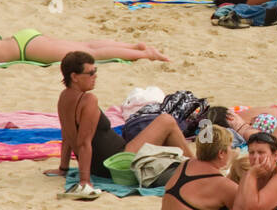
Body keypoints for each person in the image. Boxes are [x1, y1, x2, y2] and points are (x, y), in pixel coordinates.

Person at [55, 50, 192, 196]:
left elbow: (67, 134)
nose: (95, 76)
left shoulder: (64, 97)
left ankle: (193, 163)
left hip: (100, 165)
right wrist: (85, 181)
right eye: (90, 73)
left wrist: (63, 168)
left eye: (95, 71)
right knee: (166, 121)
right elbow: (84, 142)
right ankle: (199, 166)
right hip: (120, 161)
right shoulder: (88, 100)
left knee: (163, 128)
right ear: (74, 77)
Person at [0, 0, 168, 70]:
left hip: (26, 48)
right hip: (24, 43)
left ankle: (146, 54)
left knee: (85, 52)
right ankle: (135, 48)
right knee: (84, 45)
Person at [158, 125, 237, 210]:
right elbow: (251, 208)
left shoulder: (186, 164)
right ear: (221, 153)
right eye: (230, 148)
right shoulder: (221, 184)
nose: (232, 151)